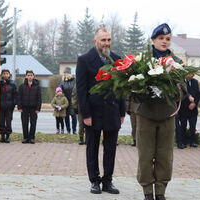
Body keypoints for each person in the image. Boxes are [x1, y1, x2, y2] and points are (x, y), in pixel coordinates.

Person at [135, 23, 186, 200]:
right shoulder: (142, 61)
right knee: (145, 155)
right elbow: (131, 85)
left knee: (165, 155)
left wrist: (174, 91)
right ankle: (148, 192)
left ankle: (161, 192)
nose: (164, 42)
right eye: (161, 39)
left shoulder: (177, 63)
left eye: (167, 39)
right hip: (146, 114)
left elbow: (184, 89)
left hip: (167, 115)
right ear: (153, 40)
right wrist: (140, 93)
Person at [76, 27, 126, 195]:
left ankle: (108, 181)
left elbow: (121, 88)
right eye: (103, 40)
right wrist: (86, 114)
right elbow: (81, 90)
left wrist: (122, 112)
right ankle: (95, 181)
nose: (106, 43)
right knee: (92, 148)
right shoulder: (84, 60)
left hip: (112, 111)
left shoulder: (117, 59)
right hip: (93, 113)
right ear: (95, 41)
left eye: (109, 40)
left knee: (111, 148)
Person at [17, 70, 42, 144]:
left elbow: (39, 98)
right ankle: (25, 137)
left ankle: (32, 138)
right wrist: (19, 107)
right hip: (24, 108)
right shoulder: (21, 86)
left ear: (33, 76)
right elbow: (19, 98)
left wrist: (38, 108)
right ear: (26, 76)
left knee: (33, 123)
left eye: (31, 75)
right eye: (28, 75)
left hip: (33, 108)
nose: (30, 76)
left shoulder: (37, 87)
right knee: (24, 123)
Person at [177, 74, 200, 148]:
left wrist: (194, 103)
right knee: (183, 125)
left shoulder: (195, 82)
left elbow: (198, 94)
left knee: (193, 126)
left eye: (192, 74)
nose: (190, 75)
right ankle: (183, 142)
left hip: (193, 109)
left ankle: (192, 142)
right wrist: (188, 105)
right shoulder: (182, 82)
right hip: (184, 109)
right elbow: (182, 95)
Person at [0, 69, 17, 143]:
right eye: (4, 73)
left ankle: (8, 136)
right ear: (2, 75)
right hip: (1, 106)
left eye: (7, 73)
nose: (5, 75)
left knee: (8, 121)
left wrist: (14, 103)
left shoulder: (12, 84)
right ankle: (2, 136)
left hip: (9, 106)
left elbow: (15, 95)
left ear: (9, 75)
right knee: (1, 121)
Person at [60, 67, 77, 134]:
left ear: (69, 74)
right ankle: (68, 130)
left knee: (73, 116)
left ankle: (74, 130)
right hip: (66, 101)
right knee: (66, 116)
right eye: (63, 73)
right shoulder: (63, 82)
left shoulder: (75, 81)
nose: (64, 75)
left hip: (73, 101)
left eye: (65, 73)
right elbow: (60, 89)